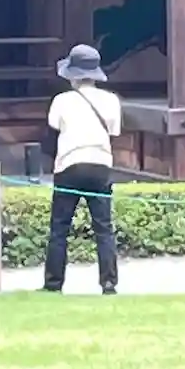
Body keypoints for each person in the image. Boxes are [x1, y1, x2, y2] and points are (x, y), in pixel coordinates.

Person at [42, 42, 122, 295]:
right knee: (104, 228)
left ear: (72, 74)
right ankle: (108, 283)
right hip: (100, 165)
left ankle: (54, 283)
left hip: (69, 164)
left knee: (60, 228)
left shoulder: (61, 101)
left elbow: (52, 131)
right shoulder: (111, 100)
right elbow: (114, 132)